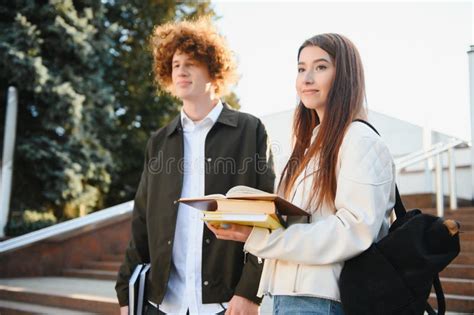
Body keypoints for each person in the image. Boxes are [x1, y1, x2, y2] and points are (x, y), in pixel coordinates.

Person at [207, 33, 396, 314]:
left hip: (324, 300)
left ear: (345, 76)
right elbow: (303, 220)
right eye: (301, 68)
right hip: (289, 297)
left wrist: (262, 239)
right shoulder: (309, 147)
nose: (307, 78)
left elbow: (353, 230)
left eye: (320, 67)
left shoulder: (359, 140)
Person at [115, 17, 275, 315]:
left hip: (225, 305)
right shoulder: (159, 141)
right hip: (162, 304)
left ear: (213, 68)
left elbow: (267, 218)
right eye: (175, 64)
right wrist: (126, 295)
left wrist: (249, 293)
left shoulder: (249, 130)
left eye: (191, 62)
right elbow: (141, 222)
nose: (181, 70)